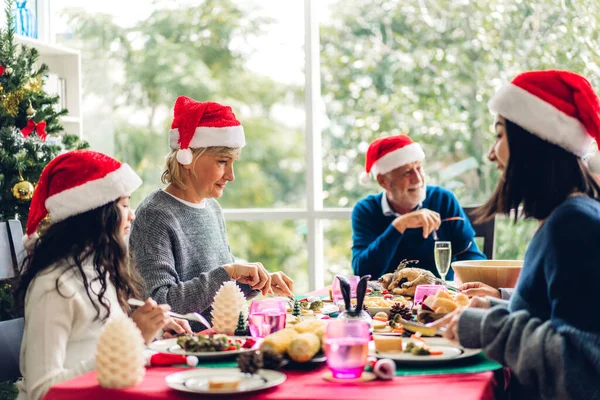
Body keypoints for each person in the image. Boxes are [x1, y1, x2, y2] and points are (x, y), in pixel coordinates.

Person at [433, 70, 600, 399]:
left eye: (499, 135)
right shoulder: (570, 215)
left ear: (531, 142)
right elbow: (557, 311)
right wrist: (500, 305)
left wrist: (487, 327)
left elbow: (582, 366)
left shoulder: (572, 226)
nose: (491, 154)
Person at [16, 150, 191, 400]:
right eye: (124, 205)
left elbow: (97, 347)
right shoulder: (54, 286)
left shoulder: (99, 272)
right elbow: (42, 391)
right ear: (96, 213)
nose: (132, 214)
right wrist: (131, 339)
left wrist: (156, 332)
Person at [130, 96, 294, 324]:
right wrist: (228, 271)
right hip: (182, 348)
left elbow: (216, 291)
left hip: (220, 338)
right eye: (222, 162)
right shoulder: (155, 215)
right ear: (188, 158)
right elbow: (160, 303)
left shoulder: (212, 208)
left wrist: (254, 282)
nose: (231, 175)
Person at [351, 134, 486, 279]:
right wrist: (399, 226)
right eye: (407, 172)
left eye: (419, 168)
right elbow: (363, 272)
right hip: (387, 299)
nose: (418, 178)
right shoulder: (366, 210)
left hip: (439, 296)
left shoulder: (443, 200)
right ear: (383, 181)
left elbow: (472, 259)